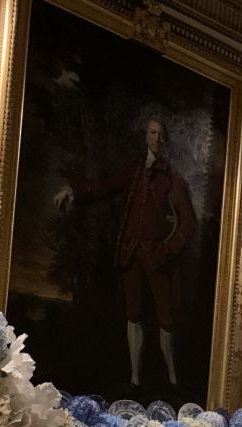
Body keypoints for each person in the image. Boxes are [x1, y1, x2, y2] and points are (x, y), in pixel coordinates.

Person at [53, 116, 196, 390]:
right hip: (130, 252)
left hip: (158, 256)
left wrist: (167, 249)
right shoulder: (133, 169)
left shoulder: (171, 177)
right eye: (152, 133)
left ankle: (173, 378)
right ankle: (135, 377)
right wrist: (72, 191)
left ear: (166, 139)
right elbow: (102, 187)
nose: (156, 138)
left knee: (166, 318)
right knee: (133, 313)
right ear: (146, 136)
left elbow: (188, 223)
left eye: (160, 134)